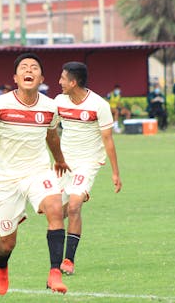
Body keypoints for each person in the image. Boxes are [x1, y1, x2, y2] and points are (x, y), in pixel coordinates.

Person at [0, 53, 70, 295]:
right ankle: (1, 265)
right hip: (5, 179)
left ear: (41, 78)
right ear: (15, 77)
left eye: (34, 67)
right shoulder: (0, 104)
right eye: (24, 67)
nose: (29, 70)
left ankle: (55, 273)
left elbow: (52, 136)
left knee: (55, 207)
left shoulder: (50, 106)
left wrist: (60, 160)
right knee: (7, 243)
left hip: (38, 171)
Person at [55, 61, 122, 276]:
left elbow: (108, 140)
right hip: (64, 163)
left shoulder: (98, 105)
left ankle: (68, 260)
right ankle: (79, 194)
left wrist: (115, 173)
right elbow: (47, 129)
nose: (59, 82)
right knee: (54, 213)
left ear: (73, 82)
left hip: (88, 162)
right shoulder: (58, 101)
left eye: (63, 78)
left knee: (74, 207)